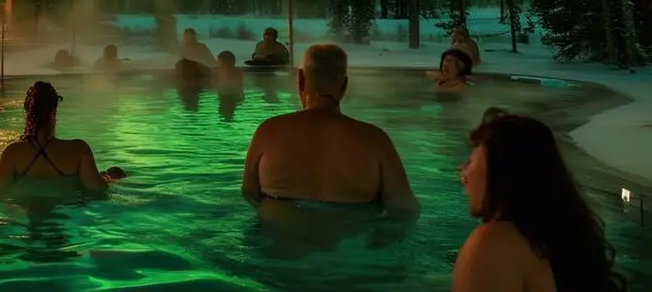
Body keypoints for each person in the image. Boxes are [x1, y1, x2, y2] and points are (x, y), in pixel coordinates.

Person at [453, 113, 626, 292]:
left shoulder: (493, 243)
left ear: (501, 173)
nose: (462, 171)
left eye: (470, 162)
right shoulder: (558, 245)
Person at [241, 44, 418, 214]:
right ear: (344, 85)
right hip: (350, 242)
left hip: (277, 241)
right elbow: (404, 210)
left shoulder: (268, 132)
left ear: (301, 80)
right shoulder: (375, 140)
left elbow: (249, 195)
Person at [0, 81, 123, 192]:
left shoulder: (12, 153)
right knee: (115, 172)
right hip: (67, 218)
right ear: (53, 112)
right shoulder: (79, 150)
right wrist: (108, 178)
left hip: (28, 217)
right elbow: (99, 190)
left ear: (28, 112)